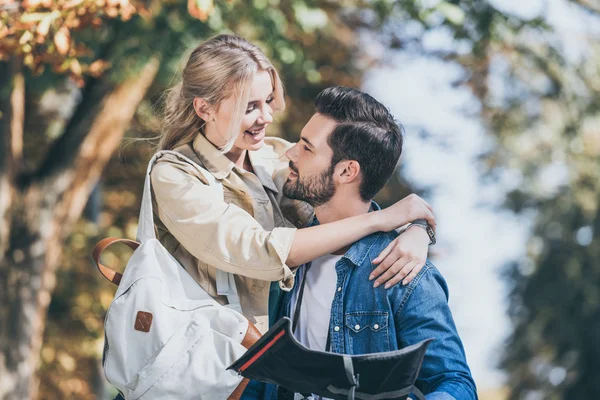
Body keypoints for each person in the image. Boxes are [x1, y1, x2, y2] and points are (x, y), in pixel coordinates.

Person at [148, 34, 436, 399]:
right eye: (250, 106)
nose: (267, 117)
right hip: (198, 372)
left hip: (263, 375)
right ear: (205, 109)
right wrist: (383, 221)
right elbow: (263, 251)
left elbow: (342, 194)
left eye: (268, 100)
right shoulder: (176, 174)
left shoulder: (273, 156)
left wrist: (416, 231)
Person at [271, 86, 477, 400]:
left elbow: (455, 383)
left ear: (346, 171)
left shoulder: (404, 272)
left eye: (306, 148)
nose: (290, 153)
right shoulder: (284, 251)